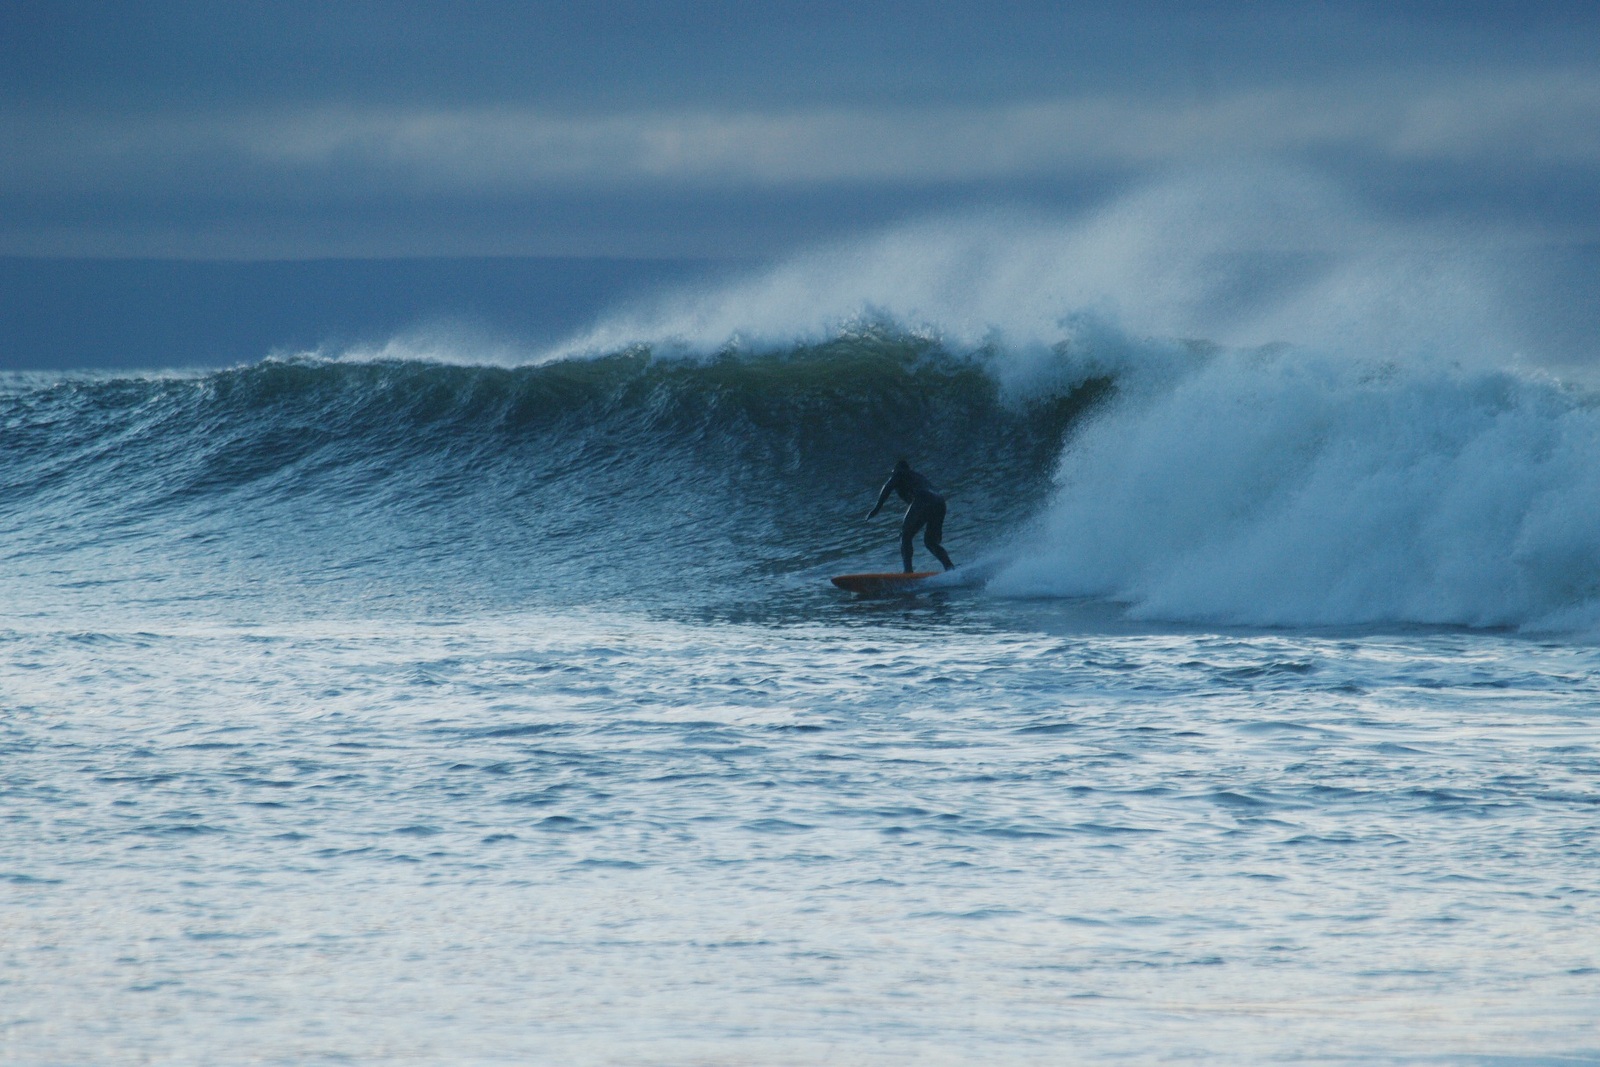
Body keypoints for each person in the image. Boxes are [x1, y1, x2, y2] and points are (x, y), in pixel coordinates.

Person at [867, 459, 955, 573]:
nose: (893, 475)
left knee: (905, 536)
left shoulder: (900, 473)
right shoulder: (918, 477)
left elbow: (887, 487)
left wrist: (876, 509)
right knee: (931, 542)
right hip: (940, 502)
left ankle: (908, 572)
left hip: (924, 499)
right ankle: (950, 569)